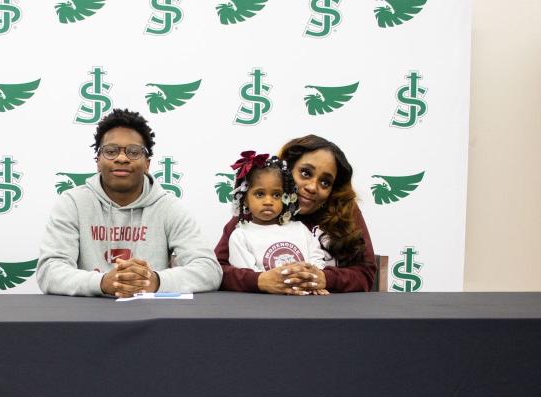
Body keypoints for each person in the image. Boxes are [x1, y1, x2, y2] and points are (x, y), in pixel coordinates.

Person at [36, 108, 221, 297]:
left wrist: (154, 281)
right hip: (87, 317)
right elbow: (49, 271)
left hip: (153, 317)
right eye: (111, 151)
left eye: (133, 152)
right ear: (98, 160)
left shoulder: (168, 207)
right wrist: (102, 282)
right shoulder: (73, 204)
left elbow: (209, 270)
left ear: (147, 163)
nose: (122, 158)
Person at [215, 135, 376, 294]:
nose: (313, 187)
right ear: (286, 170)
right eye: (305, 173)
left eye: (325, 182)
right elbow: (215, 269)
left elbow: (365, 273)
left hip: (328, 312)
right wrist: (259, 280)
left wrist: (324, 278)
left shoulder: (344, 210)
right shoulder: (255, 214)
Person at [225, 151, 329, 295]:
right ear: (245, 199)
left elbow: (316, 259)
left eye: (276, 195)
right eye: (260, 194)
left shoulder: (300, 229)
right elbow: (250, 276)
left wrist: (313, 281)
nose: (268, 201)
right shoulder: (240, 235)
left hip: (307, 303)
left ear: (286, 197)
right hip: (265, 307)